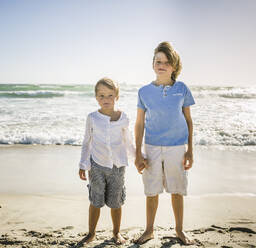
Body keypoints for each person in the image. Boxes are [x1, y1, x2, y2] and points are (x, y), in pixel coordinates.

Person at [134, 41, 195, 245]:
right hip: (151, 147)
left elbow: (188, 121)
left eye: (167, 62)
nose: (162, 65)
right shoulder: (143, 92)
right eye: (158, 61)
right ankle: (149, 230)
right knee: (151, 191)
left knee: (177, 190)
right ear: (153, 64)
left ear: (174, 66)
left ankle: (179, 230)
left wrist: (190, 151)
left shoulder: (182, 89)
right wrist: (137, 153)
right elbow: (139, 124)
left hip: (177, 147)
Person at [78, 77, 137, 245]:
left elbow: (128, 141)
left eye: (110, 95)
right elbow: (86, 142)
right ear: (96, 97)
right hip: (96, 165)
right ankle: (91, 233)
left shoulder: (123, 117)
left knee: (116, 201)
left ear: (117, 96)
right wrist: (83, 164)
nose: (106, 99)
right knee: (95, 201)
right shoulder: (92, 118)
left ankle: (116, 233)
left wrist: (137, 159)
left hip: (118, 166)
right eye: (102, 96)